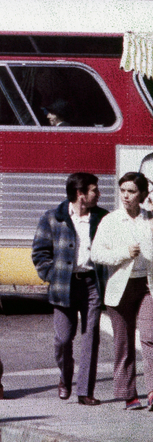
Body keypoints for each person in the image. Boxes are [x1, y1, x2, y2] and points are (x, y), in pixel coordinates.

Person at [32, 172, 108, 406]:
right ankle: (65, 378)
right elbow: (40, 252)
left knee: (90, 337)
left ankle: (85, 391)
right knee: (63, 339)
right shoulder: (53, 218)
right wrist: (53, 276)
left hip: (91, 284)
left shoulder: (103, 218)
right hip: (64, 285)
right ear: (80, 194)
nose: (99, 194)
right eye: (95, 189)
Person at [92, 172, 153, 410]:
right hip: (120, 287)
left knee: (150, 337)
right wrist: (124, 252)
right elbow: (97, 254)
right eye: (123, 191)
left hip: (147, 285)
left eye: (132, 191)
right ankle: (128, 394)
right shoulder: (111, 221)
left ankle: (152, 391)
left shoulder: (149, 220)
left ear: (142, 195)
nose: (126, 196)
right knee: (123, 342)